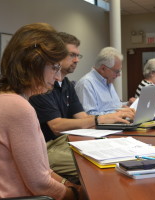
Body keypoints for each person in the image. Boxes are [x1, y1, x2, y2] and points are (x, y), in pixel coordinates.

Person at [0, 23, 82, 200]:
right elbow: (39, 183)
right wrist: (76, 195)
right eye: (54, 68)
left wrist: (69, 186)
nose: (57, 78)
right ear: (33, 63)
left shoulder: (0, 97)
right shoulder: (17, 107)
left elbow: (42, 171)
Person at [29, 32, 134, 180]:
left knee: (119, 154)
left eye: (78, 55)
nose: (76, 60)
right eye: (72, 55)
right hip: (48, 146)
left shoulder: (66, 83)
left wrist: (110, 118)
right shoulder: (42, 84)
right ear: (56, 55)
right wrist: (101, 119)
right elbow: (56, 126)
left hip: (67, 140)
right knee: (105, 167)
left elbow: (83, 117)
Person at [74, 47, 136, 115]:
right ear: (103, 69)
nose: (119, 75)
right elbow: (88, 116)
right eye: (116, 71)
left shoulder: (107, 81)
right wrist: (120, 113)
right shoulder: (86, 84)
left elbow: (113, 106)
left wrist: (128, 104)